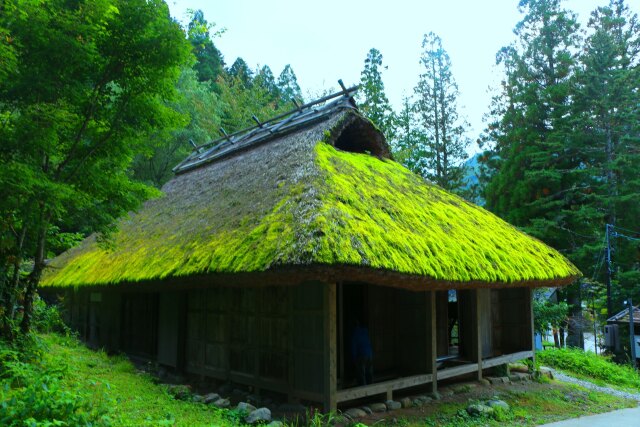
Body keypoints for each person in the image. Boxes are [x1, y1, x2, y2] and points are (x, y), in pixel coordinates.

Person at [351, 319, 373, 385]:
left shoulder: (354, 333)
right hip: (369, 354)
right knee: (369, 373)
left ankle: (363, 391)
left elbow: (353, 348)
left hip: (362, 355)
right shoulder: (364, 331)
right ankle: (371, 390)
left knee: (361, 374)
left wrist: (354, 359)